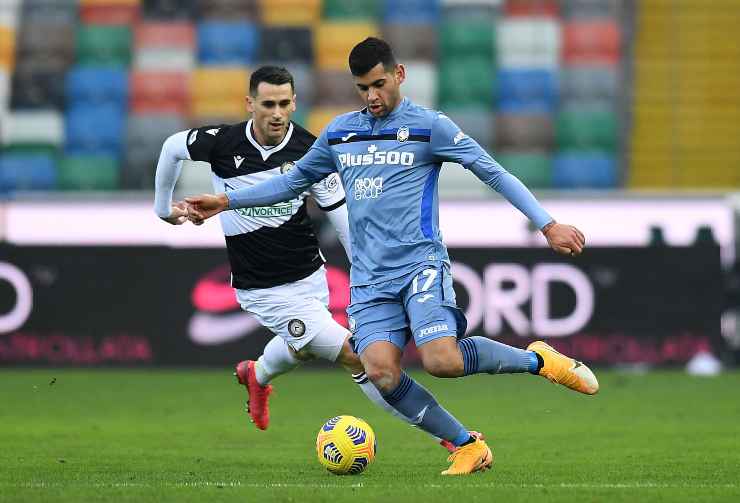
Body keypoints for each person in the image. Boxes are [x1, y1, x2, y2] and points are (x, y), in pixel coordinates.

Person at [185, 40, 599, 476]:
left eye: (379, 84)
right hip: (370, 279)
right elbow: (291, 183)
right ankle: (467, 446)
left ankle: (539, 361)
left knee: (443, 361)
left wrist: (547, 224)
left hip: (419, 266)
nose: (372, 97)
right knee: (380, 372)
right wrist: (226, 201)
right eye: (363, 88)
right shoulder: (341, 132)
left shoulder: (430, 127)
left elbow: (492, 170)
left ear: (399, 75)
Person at [153, 65, 464, 450]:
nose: (277, 113)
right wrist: (163, 209)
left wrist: (370, 274)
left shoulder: (310, 149)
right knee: (358, 356)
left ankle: (257, 373)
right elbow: (171, 148)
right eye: (268, 104)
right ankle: (449, 436)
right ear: (250, 104)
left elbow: (345, 219)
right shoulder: (222, 142)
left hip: (310, 276)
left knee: (301, 347)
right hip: (262, 288)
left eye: (285, 103)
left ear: (294, 103)